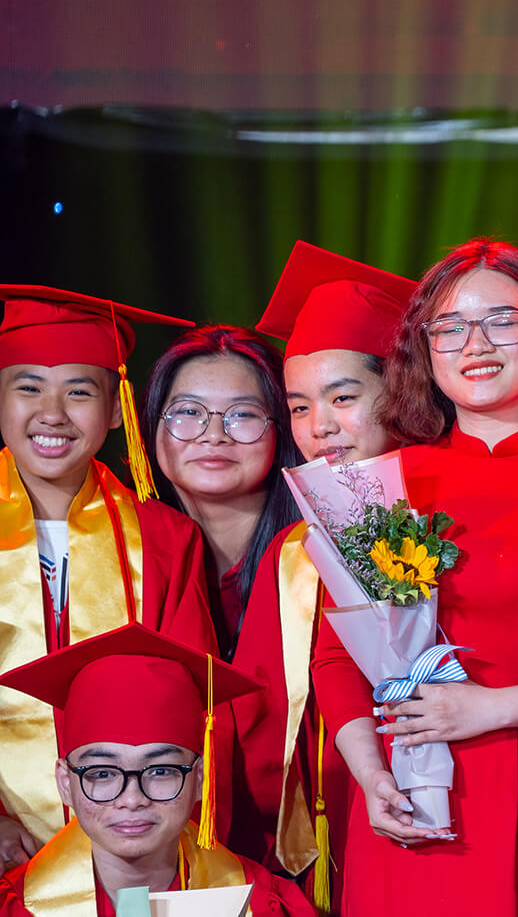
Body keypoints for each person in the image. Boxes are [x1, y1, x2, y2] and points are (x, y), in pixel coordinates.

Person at [311, 238, 518, 916]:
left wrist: (498, 706)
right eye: (451, 327)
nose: (478, 344)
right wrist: (371, 775)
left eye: (503, 320)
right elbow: (335, 657)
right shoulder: (384, 485)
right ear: (426, 350)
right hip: (410, 793)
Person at [206, 241, 415, 896]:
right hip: (325, 823)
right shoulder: (292, 551)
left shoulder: (451, 519)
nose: (319, 426)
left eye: (343, 396)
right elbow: (262, 716)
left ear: (402, 389)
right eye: (299, 407)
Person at [0, 287, 215, 871]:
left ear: (118, 409)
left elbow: (190, 705)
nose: (52, 413)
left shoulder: (165, 538)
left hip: (136, 846)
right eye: (28, 388)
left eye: (79, 391)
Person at [0, 623, 314, 915]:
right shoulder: (13, 907)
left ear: (200, 777)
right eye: (103, 773)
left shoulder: (263, 905)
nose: (132, 799)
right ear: (65, 783)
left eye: (160, 771)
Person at [139, 324, 302, 870]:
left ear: (282, 429)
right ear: (151, 426)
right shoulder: (124, 562)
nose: (213, 435)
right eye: (187, 412)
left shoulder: (319, 563)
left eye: (242, 415)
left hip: (311, 850)